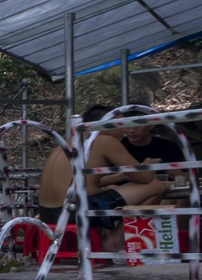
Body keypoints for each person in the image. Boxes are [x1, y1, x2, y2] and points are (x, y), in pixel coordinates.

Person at [37, 105, 171, 251]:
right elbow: (145, 178)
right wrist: (150, 165)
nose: (124, 129)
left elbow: (83, 182)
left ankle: (107, 241)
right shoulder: (104, 140)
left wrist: (117, 177)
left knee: (112, 188)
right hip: (74, 212)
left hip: (46, 213)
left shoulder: (70, 142)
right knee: (156, 186)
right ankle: (114, 243)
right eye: (119, 123)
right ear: (104, 125)